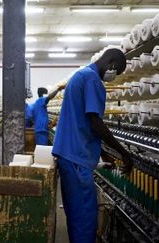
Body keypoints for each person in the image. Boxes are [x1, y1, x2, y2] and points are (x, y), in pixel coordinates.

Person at [52, 48, 133, 243]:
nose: (114, 76)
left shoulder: (81, 75)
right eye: (118, 72)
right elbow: (94, 121)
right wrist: (123, 152)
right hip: (77, 160)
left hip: (69, 155)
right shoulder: (93, 80)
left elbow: (80, 122)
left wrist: (102, 151)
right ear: (111, 64)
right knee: (85, 218)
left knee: (75, 214)